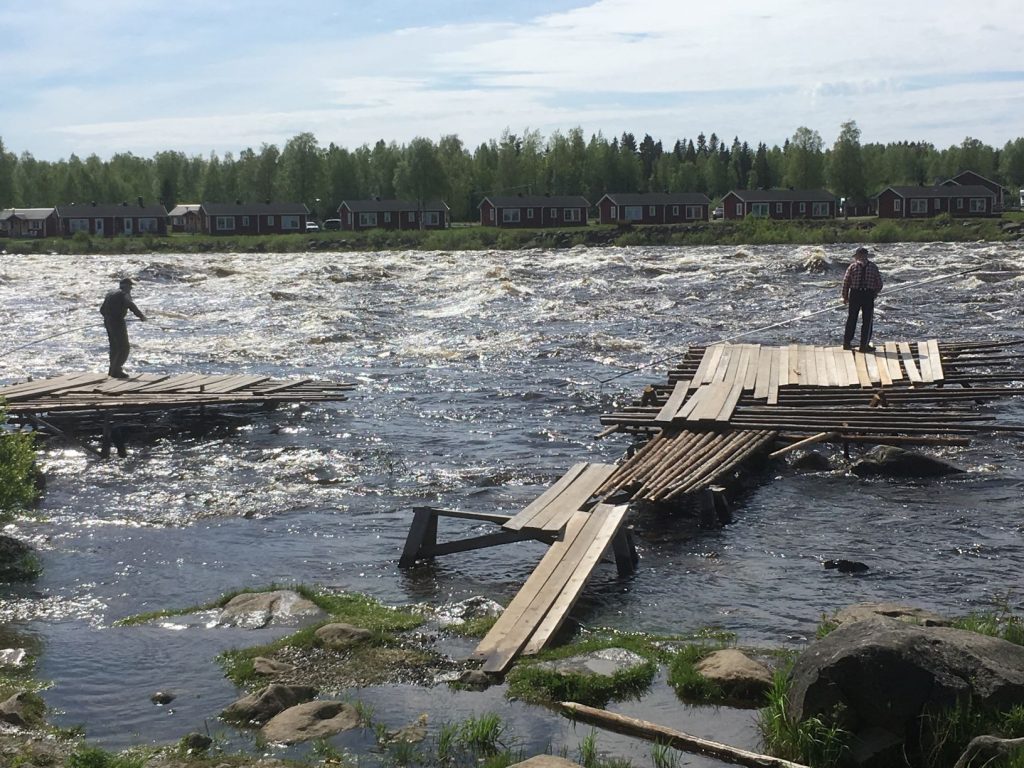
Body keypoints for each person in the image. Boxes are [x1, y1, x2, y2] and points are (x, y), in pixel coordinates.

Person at [100, 278, 147, 378]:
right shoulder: (124, 294)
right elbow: (131, 306)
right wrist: (141, 316)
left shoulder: (110, 293)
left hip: (108, 322)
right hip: (117, 322)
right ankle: (117, 370)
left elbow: (102, 310)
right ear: (126, 286)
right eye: (130, 286)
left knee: (114, 347)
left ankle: (112, 370)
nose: (131, 288)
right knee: (124, 348)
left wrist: (108, 318)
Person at [841, 246, 883, 352]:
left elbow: (846, 283)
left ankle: (847, 343)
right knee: (867, 321)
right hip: (868, 294)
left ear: (857, 256)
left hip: (855, 294)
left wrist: (845, 297)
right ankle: (863, 346)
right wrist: (874, 293)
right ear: (866, 256)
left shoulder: (852, 267)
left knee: (852, 319)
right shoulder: (873, 267)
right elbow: (879, 284)